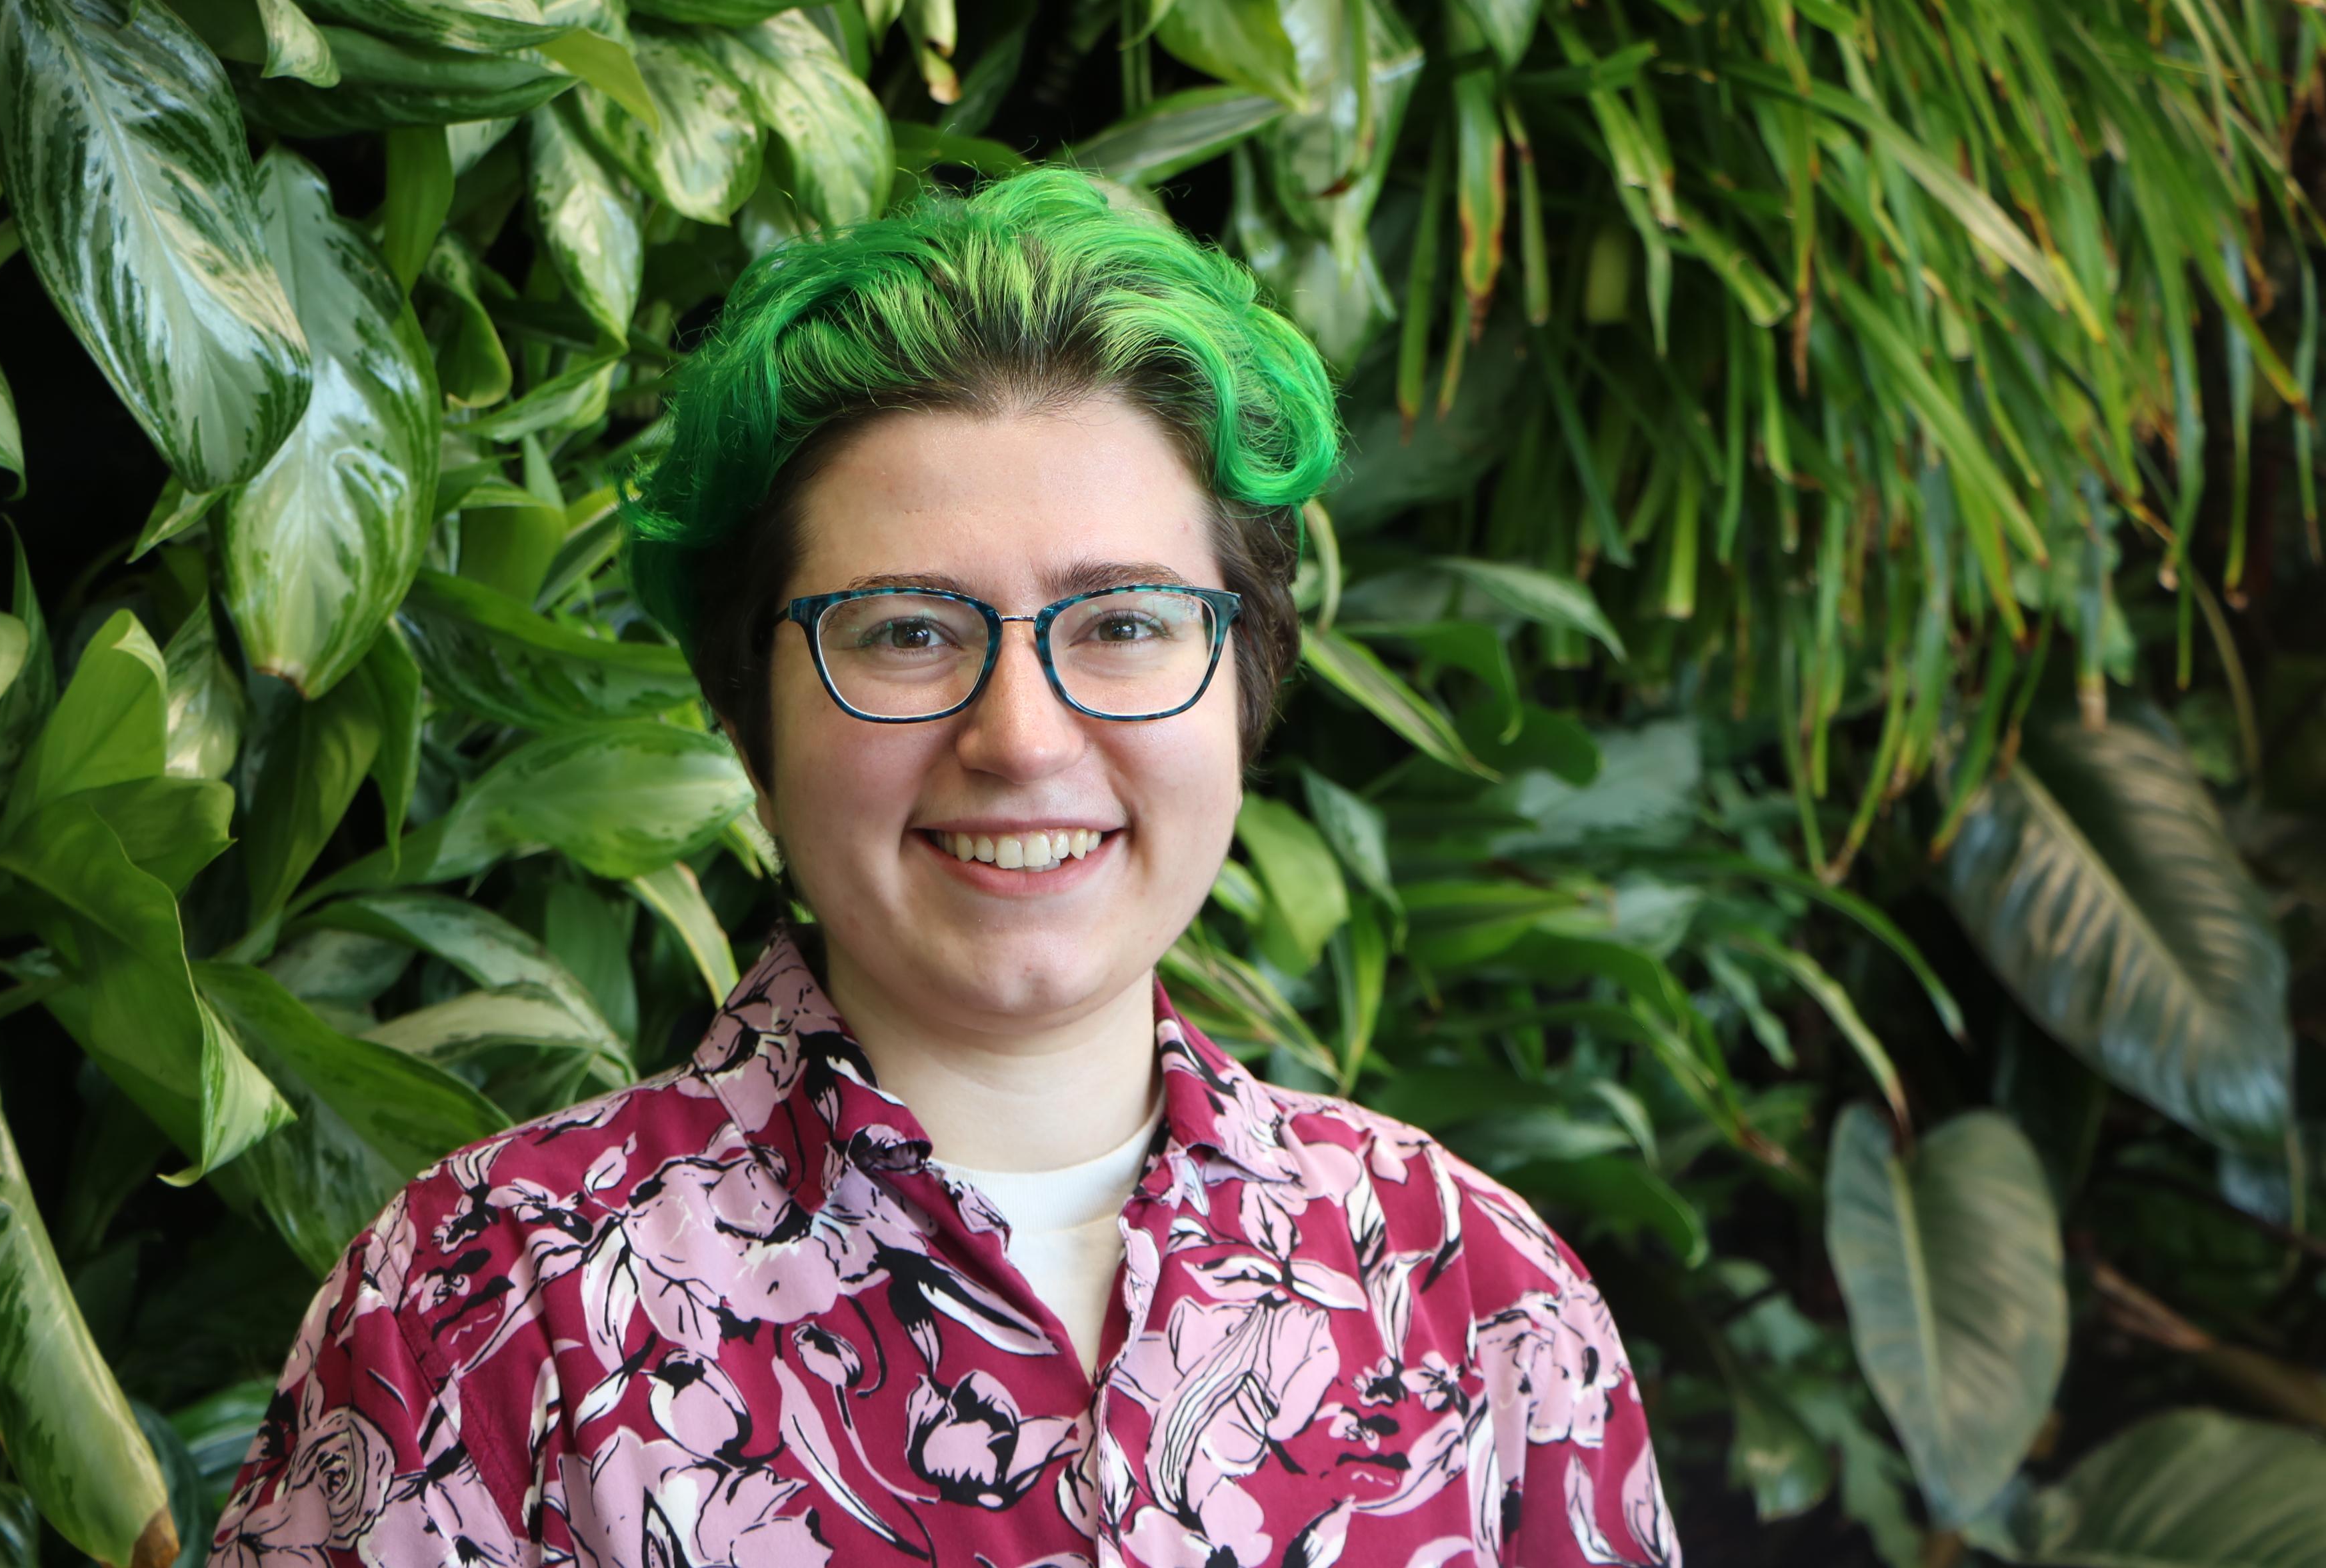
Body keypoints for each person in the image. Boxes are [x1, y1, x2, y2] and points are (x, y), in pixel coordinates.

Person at [211, 171, 1682, 1568]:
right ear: (746, 708)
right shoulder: (484, 1304)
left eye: (1122, 623)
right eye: (907, 630)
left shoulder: (1475, 1296)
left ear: (1246, 672)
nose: (1024, 739)